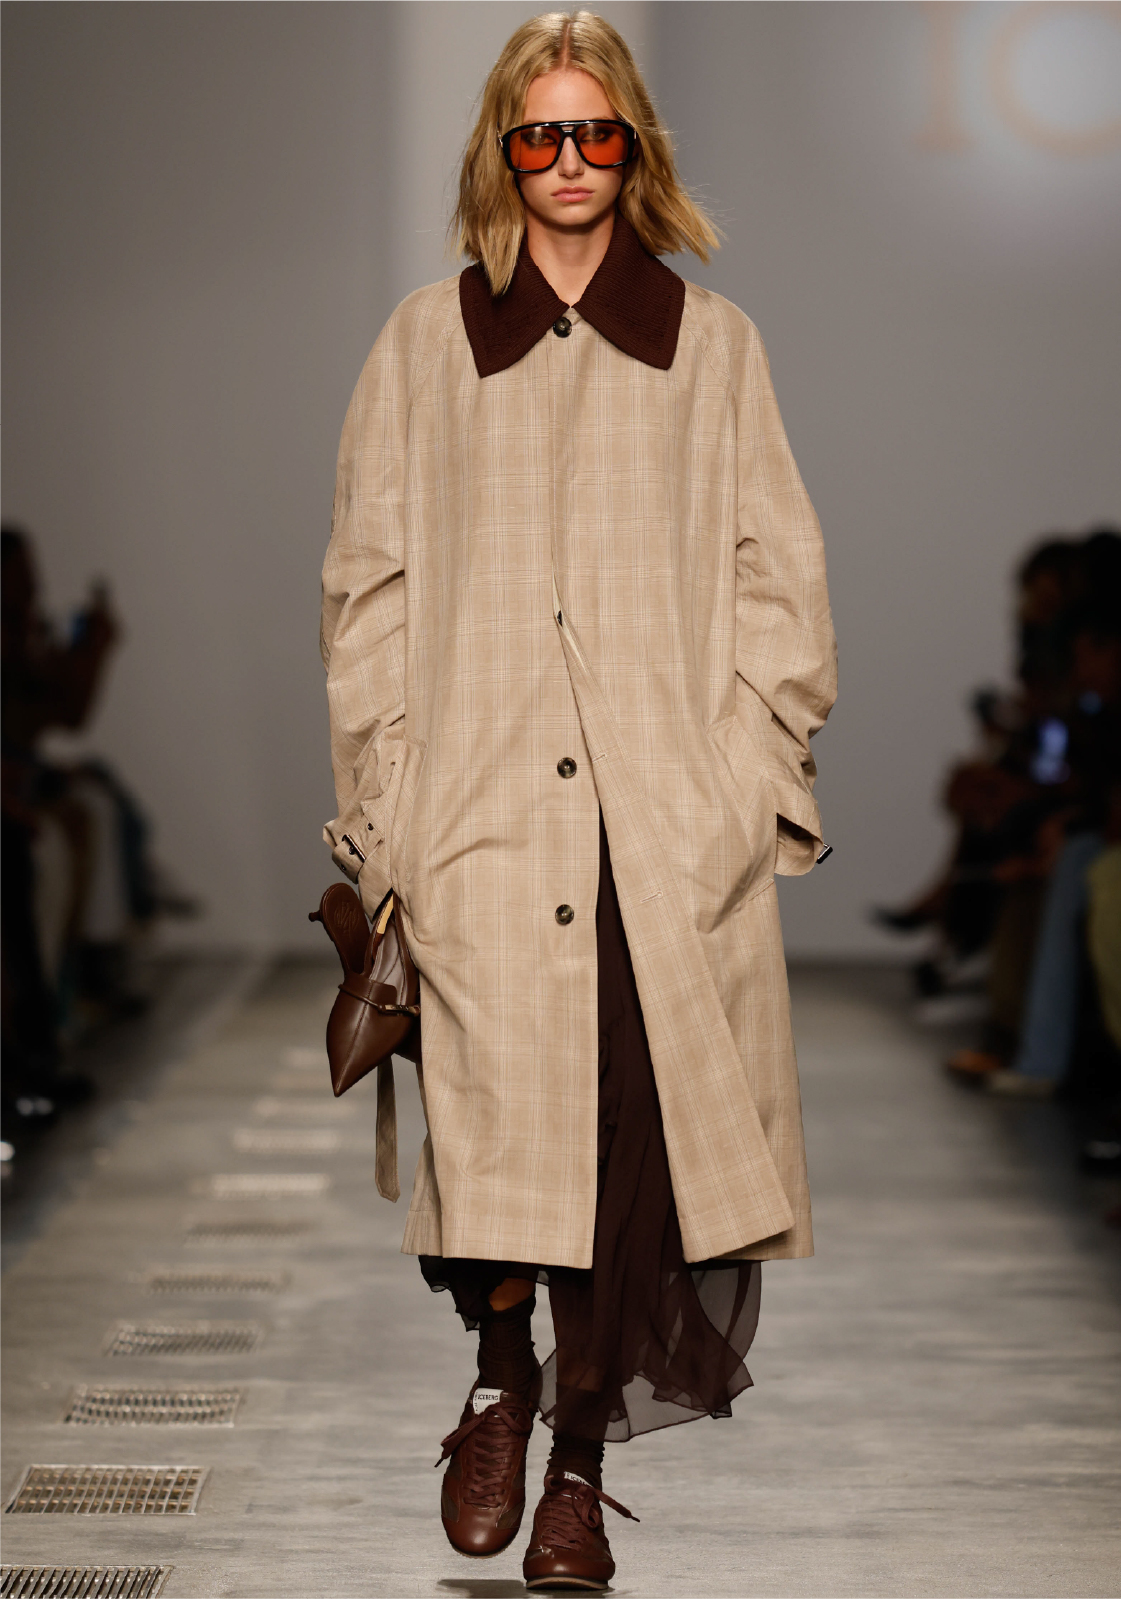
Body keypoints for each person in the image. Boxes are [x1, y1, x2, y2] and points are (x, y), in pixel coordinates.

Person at [320, 12, 836, 1590]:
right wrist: (389, 802)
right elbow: (366, 588)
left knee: (626, 1154)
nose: (565, 161)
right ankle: (500, 1374)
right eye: (538, 134)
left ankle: (577, 1469)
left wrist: (742, 786)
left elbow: (777, 579)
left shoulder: (709, 345)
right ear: (501, 147)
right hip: (475, 814)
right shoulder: (424, 344)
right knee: (491, 1136)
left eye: (593, 133)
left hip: (655, 827)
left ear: (633, 150)